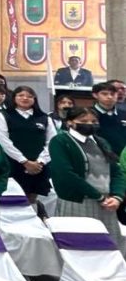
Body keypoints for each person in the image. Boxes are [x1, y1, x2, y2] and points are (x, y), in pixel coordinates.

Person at [49, 107, 126, 252]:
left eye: (94, 121)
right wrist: (98, 196)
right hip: (78, 201)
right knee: (81, 248)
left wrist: (117, 196)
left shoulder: (101, 141)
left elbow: (116, 172)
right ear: (70, 123)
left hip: (107, 203)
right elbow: (66, 174)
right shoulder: (60, 141)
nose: (90, 124)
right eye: (84, 121)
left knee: (110, 247)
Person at [0, 86, 56, 205]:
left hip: (39, 166)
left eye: (29, 96)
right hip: (13, 163)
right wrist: (24, 161)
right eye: (21, 95)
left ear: (35, 99)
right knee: (13, 200)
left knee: (32, 200)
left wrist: (40, 161)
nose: (25, 98)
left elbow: (52, 141)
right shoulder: (4, 115)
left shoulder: (44, 118)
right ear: (13, 98)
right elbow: (4, 141)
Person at [93, 82, 126, 155]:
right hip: (99, 155)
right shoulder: (88, 114)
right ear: (95, 95)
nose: (110, 97)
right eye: (104, 94)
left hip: (123, 156)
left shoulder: (124, 114)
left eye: (113, 94)